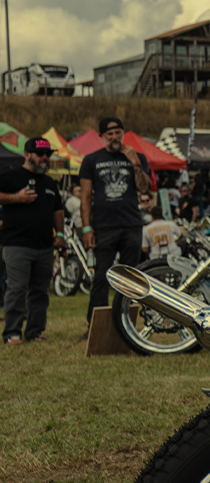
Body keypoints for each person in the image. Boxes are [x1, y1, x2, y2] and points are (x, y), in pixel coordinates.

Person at [79, 117, 152, 336]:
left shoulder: (137, 157)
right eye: (109, 134)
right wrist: (86, 228)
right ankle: (95, 327)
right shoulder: (91, 160)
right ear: (102, 136)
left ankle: (127, 326)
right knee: (101, 276)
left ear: (123, 133)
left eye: (118, 133)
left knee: (131, 277)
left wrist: (135, 162)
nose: (114, 137)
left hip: (131, 225)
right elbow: (85, 195)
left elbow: (144, 189)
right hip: (104, 227)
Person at [0, 137, 66, 343]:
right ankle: (12, 332)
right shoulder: (11, 176)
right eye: (40, 154)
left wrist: (61, 234)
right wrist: (15, 198)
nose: (45, 158)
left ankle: (35, 331)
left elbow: (58, 210)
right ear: (27, 155)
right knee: (17, 289)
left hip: (45, 245)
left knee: (39, 291)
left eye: (48, 154)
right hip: (17, 244)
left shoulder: (49, 182)